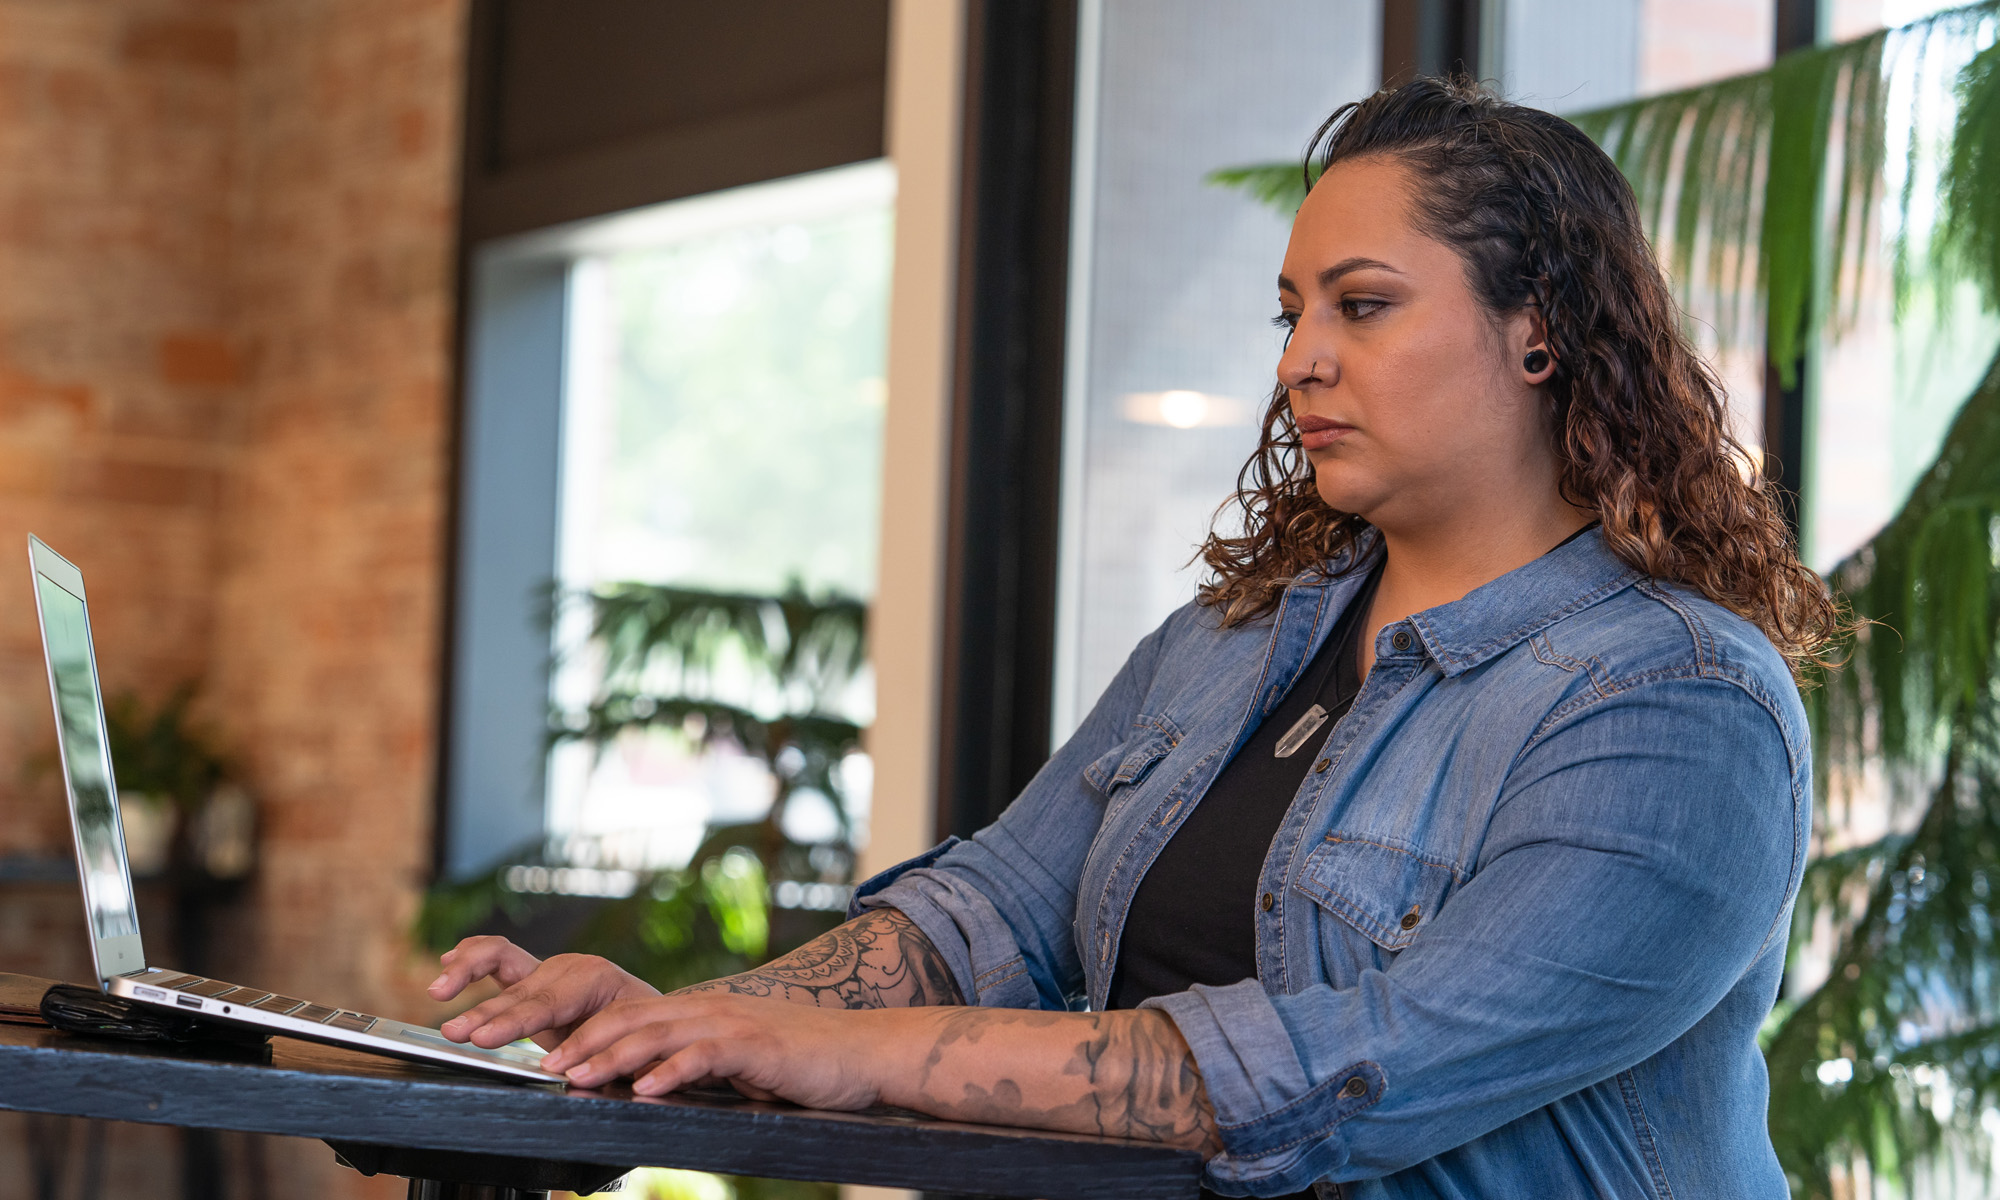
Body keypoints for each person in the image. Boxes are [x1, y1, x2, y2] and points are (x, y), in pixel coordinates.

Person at [428, 77, 1838, 1198]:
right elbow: (984, 919)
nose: (1301, 358)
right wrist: (686, 1023)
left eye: (1363, 305)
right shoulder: (1230, 642)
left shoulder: (1677, 704)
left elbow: (1360, 1070)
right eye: (1292, 313)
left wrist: (843, 1053)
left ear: (1539, 334)